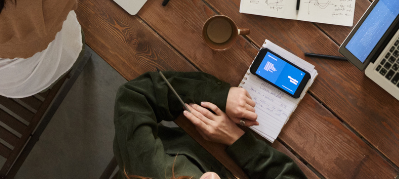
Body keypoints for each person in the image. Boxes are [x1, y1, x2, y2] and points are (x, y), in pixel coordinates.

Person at [113, 70, 305, 179]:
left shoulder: (147, 171)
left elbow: (135, 97)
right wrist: (236, 139)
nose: (212, 177)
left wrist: (218, 96)